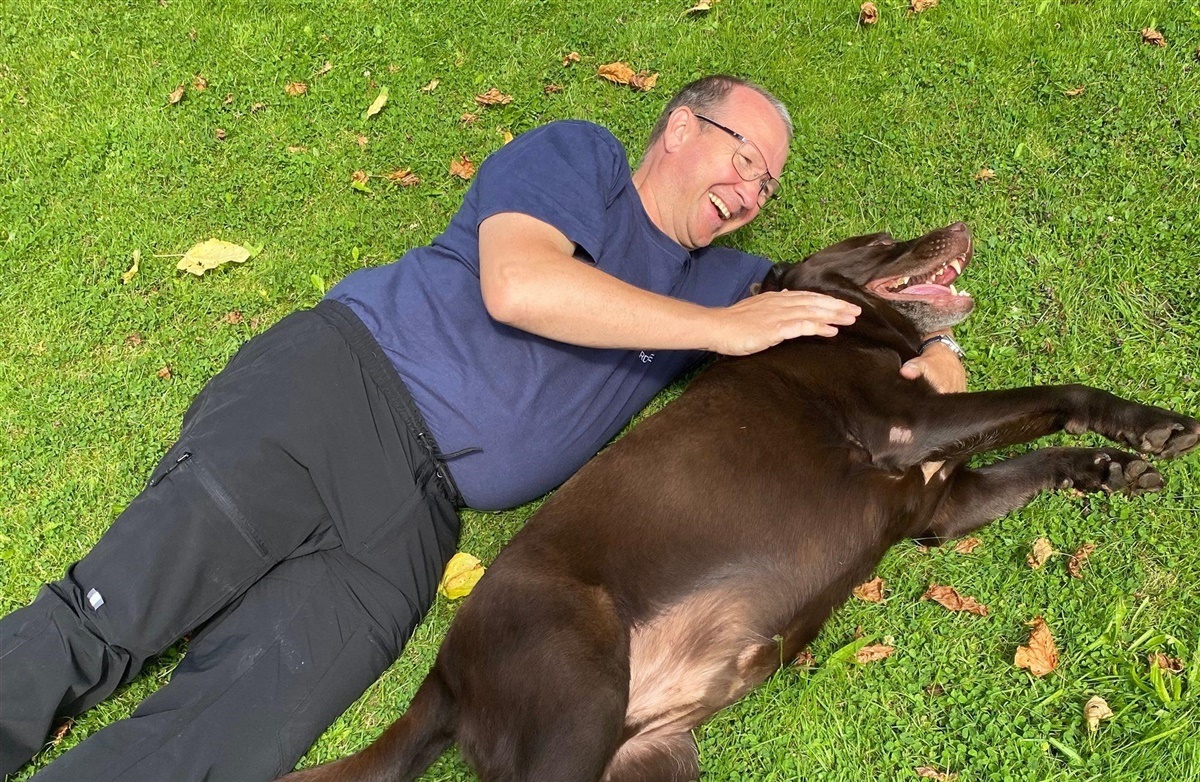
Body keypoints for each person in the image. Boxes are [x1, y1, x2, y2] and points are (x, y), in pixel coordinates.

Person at [0, 75, 963, 781]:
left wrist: (939, 351)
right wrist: (716, 331)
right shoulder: (582, 159)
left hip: (415, 527)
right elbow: (518, 283)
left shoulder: (724, 281)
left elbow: (855, 307)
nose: (753, 192)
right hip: (336, 397)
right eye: (744, 157)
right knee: (113, 614)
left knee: (233, 734)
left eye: (769, 186)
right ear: (679, 127)